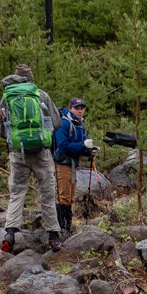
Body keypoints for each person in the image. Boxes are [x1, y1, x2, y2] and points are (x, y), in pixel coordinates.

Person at [0, 63, 62, 252]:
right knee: (47, 194)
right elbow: (56, 123)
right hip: (41, 153)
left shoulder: (7, 98)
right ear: (31, 79)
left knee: (16, 193)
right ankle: (53, 237)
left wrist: (15, 138)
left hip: (18, 154)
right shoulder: (41, 95)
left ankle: (10, 233)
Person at [50, 97, 95, 235]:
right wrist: (82, 146)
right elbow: (62, 146)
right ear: (70, 109)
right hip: (62, 163)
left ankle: (67, 227)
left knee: (70, 197)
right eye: (77, 108)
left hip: (73, 164)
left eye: (82, 108)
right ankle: (61, 227)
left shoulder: (80, 125)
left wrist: (89, 151)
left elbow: (82, 144)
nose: (80, 111)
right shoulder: (64, 123)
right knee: (63, 196)